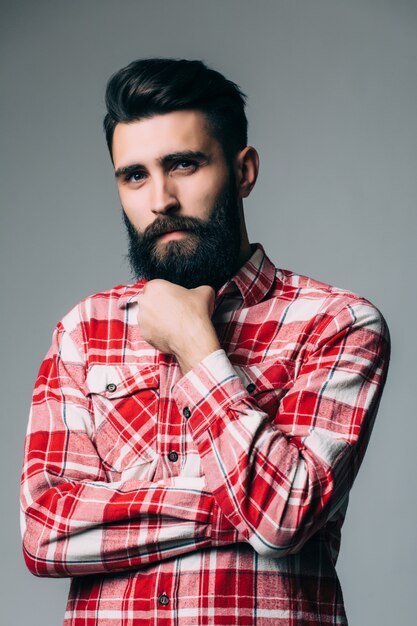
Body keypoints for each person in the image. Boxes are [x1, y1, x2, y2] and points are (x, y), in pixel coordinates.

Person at [20, 58, 390, 626]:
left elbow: (284, 516)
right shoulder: (84, 331)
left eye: (184, 164)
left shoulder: (337, 324)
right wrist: (233, 509)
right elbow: (45, 534)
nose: (160, 199)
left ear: (244, 171)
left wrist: (197, 346)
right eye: (134, 175)